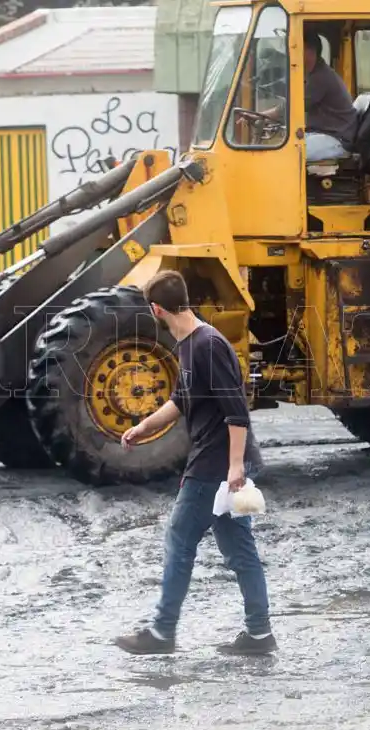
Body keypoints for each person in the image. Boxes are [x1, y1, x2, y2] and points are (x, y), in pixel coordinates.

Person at [113, 269, 275, 657]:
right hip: (220, 464)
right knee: (240, 550)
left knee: (179, 540)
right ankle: (259, 634)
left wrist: (235, 467)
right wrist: (143, 427)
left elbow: (236, 410)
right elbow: (181, 401)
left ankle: (162, 632)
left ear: (156, 309)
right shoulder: (190, 344)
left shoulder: (208, 346)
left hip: (214, 466)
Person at [302, 30, 358, 162]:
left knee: (290, 153)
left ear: (310, 50)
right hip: (321, 134)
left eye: (296, 48)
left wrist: (268, 114)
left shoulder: (321, 77)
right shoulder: (310, 75)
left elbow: (295, 106)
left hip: (336, 139)